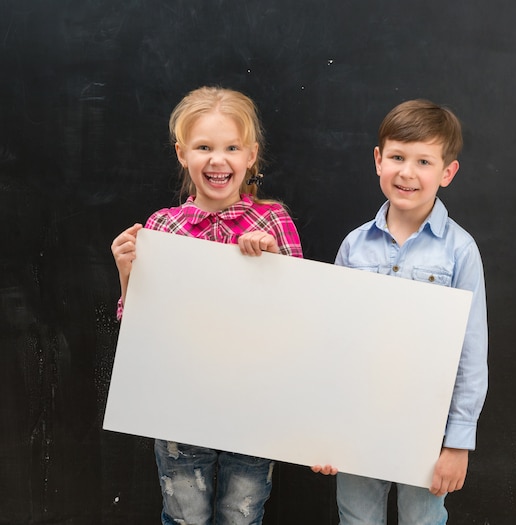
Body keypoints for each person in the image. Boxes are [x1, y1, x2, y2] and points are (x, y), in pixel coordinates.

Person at [111, 86, 302, 525]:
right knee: (184, 518)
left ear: (251, 155)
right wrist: (126, 272)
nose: (218, 160)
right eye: (204, 147)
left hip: (252, 406)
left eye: (232, 147)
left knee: (242, 515)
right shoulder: (163, 227)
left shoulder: (273, 221)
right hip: (181, 407)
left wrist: (273, 263)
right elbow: (141, 327)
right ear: (182, 154)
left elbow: (297, 321)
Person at [313, 99, 488, 524]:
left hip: (426, 429)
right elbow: (331, 340)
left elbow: (471, 350)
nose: (407, 172)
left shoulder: (459, 250)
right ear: (378, 160)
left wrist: (457, 443)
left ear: (447, 172)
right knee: (356, 517)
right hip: (357, 419)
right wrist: (324, 428)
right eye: (396, 157)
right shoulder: (354, 246)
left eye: (423, 161)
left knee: (422, 520)